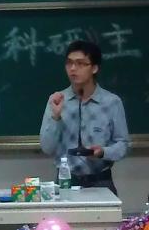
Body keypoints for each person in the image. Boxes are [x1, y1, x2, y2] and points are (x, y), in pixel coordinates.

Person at [39, 40, 130, 196]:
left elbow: (123, 144)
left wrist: (103, 152)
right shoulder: (57, 100)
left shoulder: (111, 102)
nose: (73, 69)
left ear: (94, 68)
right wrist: (56, 117)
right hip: (66, 181)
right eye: (69, 63)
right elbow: (47, 148)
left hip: (100, 180)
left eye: (80, 63)